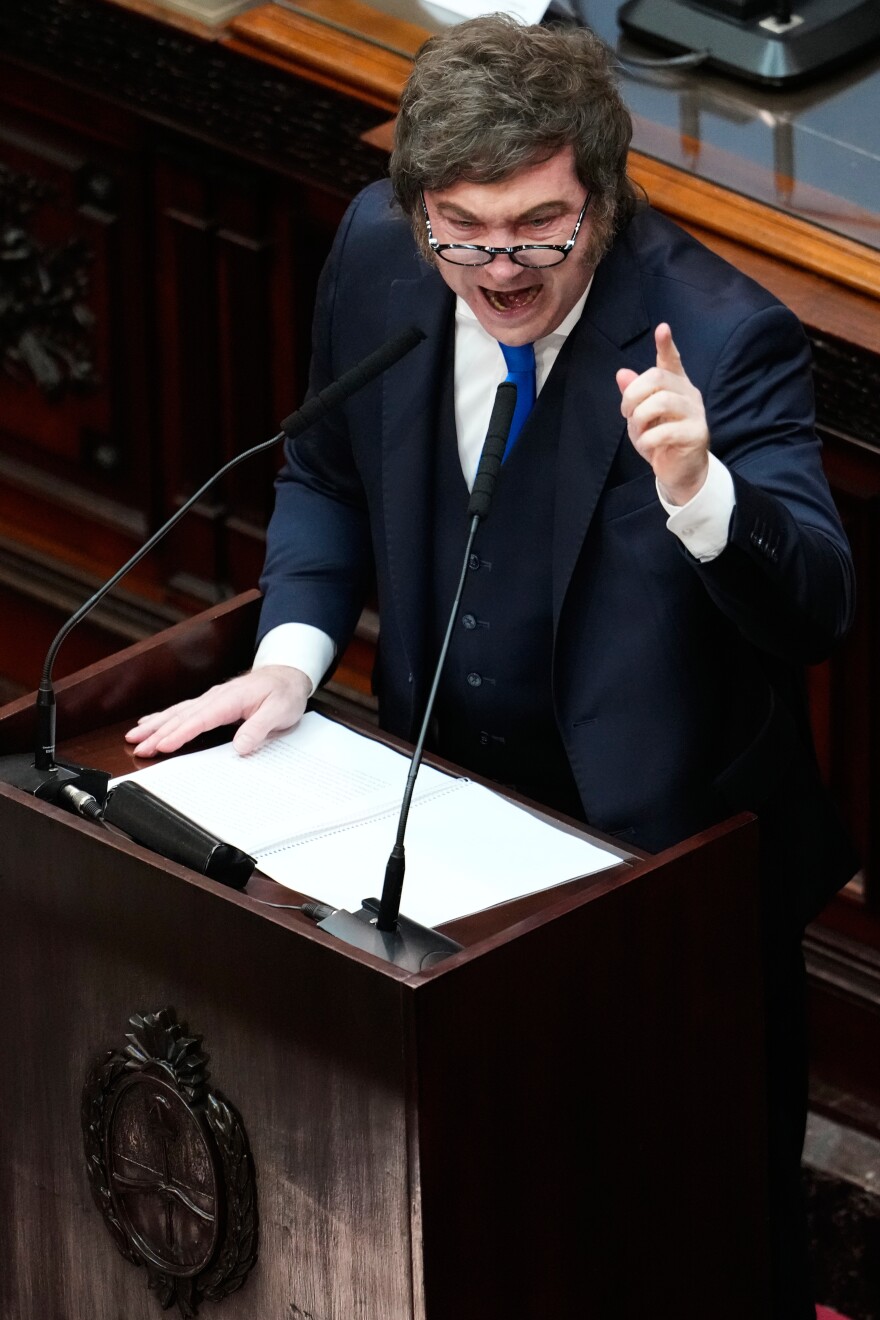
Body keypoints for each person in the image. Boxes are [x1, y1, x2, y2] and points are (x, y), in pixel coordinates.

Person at [127, 15, 857, 1314]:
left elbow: (817, 612)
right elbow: (323, 476)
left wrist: (702, 493)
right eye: (461, 230)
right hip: (446, 821)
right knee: (479, 1190)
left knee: (692, 1220)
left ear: (603, 199)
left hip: (666, 871)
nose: (499, 268)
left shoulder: (718, 334)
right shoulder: (379, 252)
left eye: (538, 229)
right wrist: (292, 658)